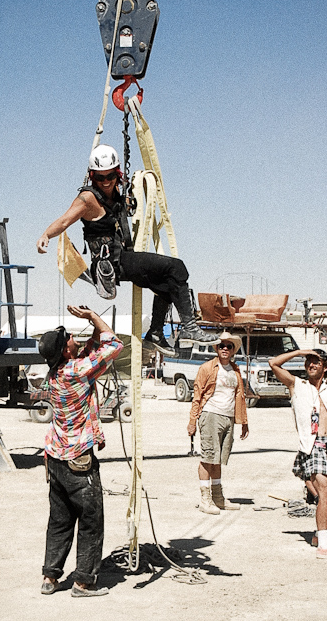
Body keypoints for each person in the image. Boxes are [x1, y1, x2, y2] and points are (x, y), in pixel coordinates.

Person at [36, 144, 220, 357]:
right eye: (100, 178)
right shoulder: (87, 198)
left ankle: (155, 334)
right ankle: (189, 327)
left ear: (118, 173)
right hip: (112, 263)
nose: (106, 182)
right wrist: (46, 235)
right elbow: (65, 220)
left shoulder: (116, 192)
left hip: (122, 256)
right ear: (92, 177)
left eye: (110, 176)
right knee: (175, 267)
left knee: (167, 283)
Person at [38, 305, 123, 597]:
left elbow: (89, 351)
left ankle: (50, 578)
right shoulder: (76, 371)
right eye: (68, 339)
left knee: (59, 521)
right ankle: (83, 581)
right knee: (90, 520)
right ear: (65, 352)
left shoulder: (54, 373)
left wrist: (86, 340)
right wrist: (92, 318)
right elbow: (114, 344)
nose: (72, 336)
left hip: (56, 458)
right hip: (78, 460)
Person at [268, 348, 327, 560]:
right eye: (308, 361)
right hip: (312, 445)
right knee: (324, 492)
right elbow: (274, 363)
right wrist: (300, 351)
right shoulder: (297, 385)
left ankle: (320, 534)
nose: (311, 364)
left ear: (325, 367)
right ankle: (324, 546)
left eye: (316, 361)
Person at [187, 331, 249, 515]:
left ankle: (218, 497)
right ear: (216, 348)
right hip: (211, 414)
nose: (224, 349)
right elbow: (197, 395)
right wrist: (192, 421)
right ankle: (205, 499)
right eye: (221, 345)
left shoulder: (235, 370)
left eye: (228, 346)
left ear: (233, 350)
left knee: (219, 459)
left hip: (228, 417)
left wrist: (243, 421)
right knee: (208, 457)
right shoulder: (207, 368)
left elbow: (240, 396)